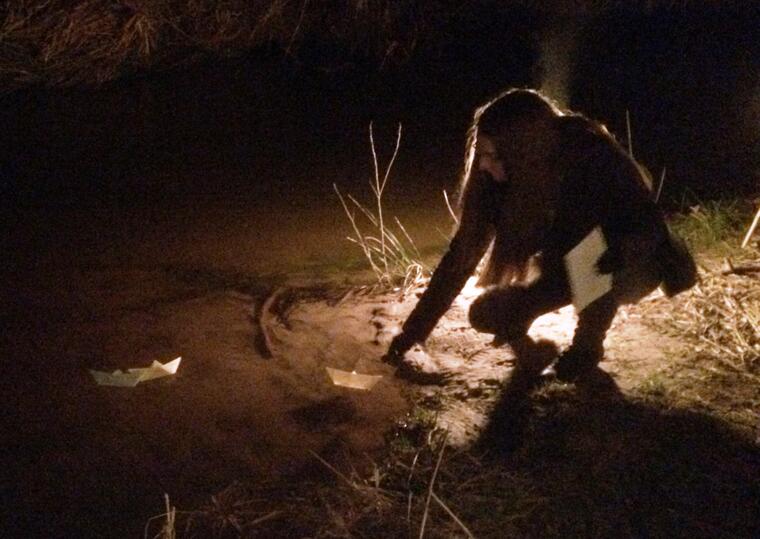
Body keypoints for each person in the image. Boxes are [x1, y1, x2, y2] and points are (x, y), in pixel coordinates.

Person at [383, 88, 696, 387]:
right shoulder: (507, 178)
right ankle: (542, 314)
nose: (483, 164)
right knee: (486, 314)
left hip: (635, 261)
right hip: (572, 264)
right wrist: (413, 332)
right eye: (482, 153)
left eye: (492, 154)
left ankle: (589, 345)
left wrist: (585, 347)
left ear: (521, 149)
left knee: (588, 252)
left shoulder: (588, 155)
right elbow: (461, 256)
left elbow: (604, 246)